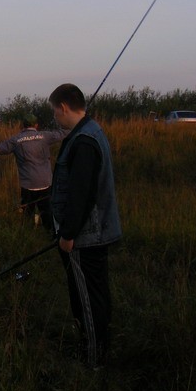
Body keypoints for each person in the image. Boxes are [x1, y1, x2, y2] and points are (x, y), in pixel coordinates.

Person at [48, 83, 122, 367]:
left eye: (55, 111)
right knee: (95, 294)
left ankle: (93, 360)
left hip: (86, 237)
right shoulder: (91, 131)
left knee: (88, 300)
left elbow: (82, 194)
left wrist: (68, 235)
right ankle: (96, 348)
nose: (55, 117)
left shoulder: (84, 141)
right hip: (92, 233)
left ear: (64, 107)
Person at [0, 113, 67, 233]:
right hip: (46, 183)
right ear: (36, 125)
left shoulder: (15, 140)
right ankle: (52, 235)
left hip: (28, 185)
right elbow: (63, 134)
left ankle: (28, 234)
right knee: (47, 211)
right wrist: (77, 123)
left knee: (27, 212)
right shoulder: (46, 136)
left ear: (23, 126)